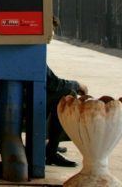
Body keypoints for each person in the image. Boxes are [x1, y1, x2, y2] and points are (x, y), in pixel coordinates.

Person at [45, 16, 87, 167]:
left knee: (67, 92)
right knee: (68, 95)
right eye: (51, 29)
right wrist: (77, 85)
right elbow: (53, 83)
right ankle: (51, 150)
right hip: (27, 101)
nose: (52, 33)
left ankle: (52, 147)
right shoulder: (33, 49)